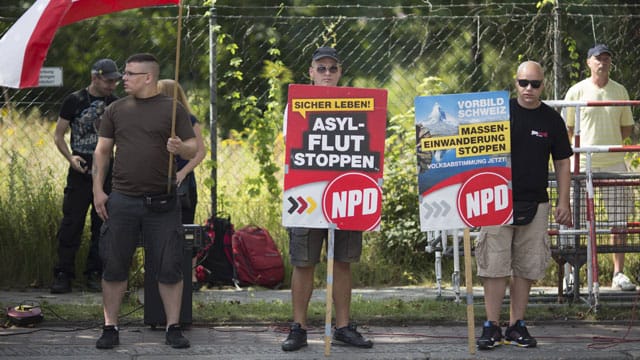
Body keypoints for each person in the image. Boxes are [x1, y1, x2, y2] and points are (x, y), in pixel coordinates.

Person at [92, 53, 197, 349]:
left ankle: (172, 326)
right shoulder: (116, 109)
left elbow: (193, 147)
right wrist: (98, 190)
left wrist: (180, 147)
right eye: (124, 73)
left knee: (169, 266)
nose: (123, 78)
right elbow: (102, 152)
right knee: (114, 264)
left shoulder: (172, 109)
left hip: (163, 203)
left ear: (148, 77)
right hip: (122, 199)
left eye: (130, 74)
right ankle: (110, 326)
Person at [281, 47, 373, 352]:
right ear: (310, 72)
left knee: (342, 261)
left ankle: (343, 326)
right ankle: (298, 327)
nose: (327, 73)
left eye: (333, 68)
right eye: (321, 68)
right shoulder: (297, 104)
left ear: (340, 71)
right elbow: (292, 145)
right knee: (303, 261)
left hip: (345, 193)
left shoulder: (357, 104)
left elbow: (366, 144)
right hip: (307, 194)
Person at [476, 61, 573, 350]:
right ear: (515, 83)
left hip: (536, 202)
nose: (529, 89)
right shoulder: (498, 113)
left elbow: (563, 161)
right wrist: (471, 201)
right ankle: (491, 326)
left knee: (526, 267)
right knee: (494, 265)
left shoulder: (552, 120)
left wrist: (563, 200)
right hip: (496, 200)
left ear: (544, 84)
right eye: (523, 83)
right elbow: (474, 154)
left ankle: (516, 325)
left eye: (535, 84)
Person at [564, 44, 636, 291]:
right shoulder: (576, 91)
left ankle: (618, 273)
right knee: (575, 220)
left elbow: (626, 128)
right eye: (598, 58)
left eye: (606, 58)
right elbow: (569, 128)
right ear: (588, 62)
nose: (602, 62)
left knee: (620, 220)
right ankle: (572, 273)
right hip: (583, 163)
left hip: (614, 162)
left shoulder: (620, 90)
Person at [51, 58, 120, 294]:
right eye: (108, 81)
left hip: (106, 171)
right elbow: (58, 135)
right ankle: (63, 273)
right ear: (95, 78)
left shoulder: (116, 103)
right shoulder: (75, 100)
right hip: (80, 168)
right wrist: (70, 158)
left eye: (115, 81)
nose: (112, 85)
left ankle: (95, 272)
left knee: (103, 223)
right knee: (72, 222)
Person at [157, 79, 207, 290]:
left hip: (183, 182)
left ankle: (191, 275)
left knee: (186, 226)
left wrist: (183, 172)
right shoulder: (156, 119)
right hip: (158, 179)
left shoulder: (188, 119)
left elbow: (200, 151)